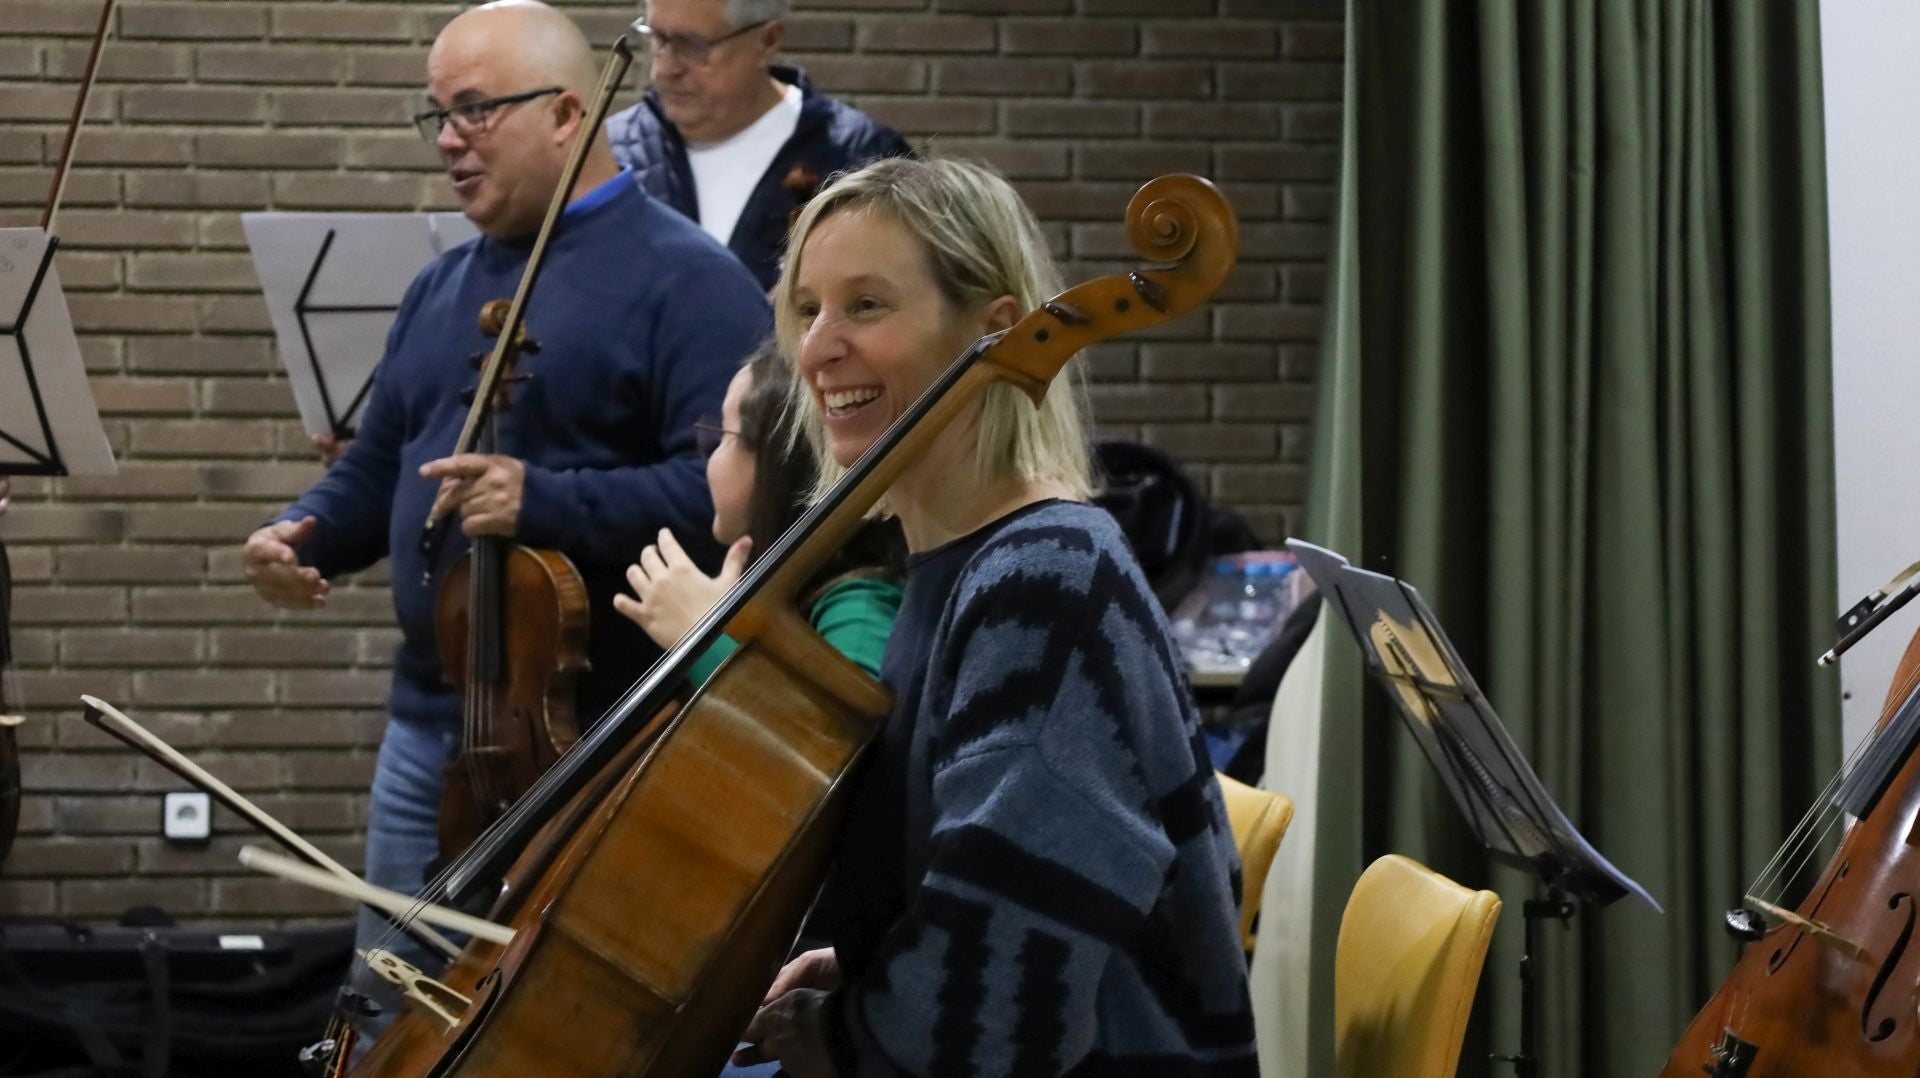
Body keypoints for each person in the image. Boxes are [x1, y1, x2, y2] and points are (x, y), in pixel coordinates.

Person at [237, 0, 770, 1025]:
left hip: (597, 734)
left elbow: (729, 502)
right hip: (427, 735)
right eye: (435, 115)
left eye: (473, 110)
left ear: (569, 113)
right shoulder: (443, 288)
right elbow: (388, 466)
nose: (447, 139)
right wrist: (302, 528)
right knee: (389, 1020)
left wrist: (546, 500)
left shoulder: (691, 283)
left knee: (559, 1026)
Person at [730, 157, 1258, 1076]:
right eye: (807, 308)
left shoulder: (1043, 581)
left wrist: (849, 1034)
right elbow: (976, 883)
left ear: (997, 330)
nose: (816, 348)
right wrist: (869, 960)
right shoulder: (954, 562)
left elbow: (995, 1004)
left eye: (866, 305)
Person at [615, 340, 902, 686]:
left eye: (722, 434)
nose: (707, 458)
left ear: (782, 464)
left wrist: (703, 639)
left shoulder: (858, 607)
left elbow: (820, 737)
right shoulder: (780, 592)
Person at [607, 0, 912, 290]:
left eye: (693, 46)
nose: (664, 69)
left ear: (767, 41)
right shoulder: (608, 153)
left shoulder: (861, 156)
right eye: (656, 38)